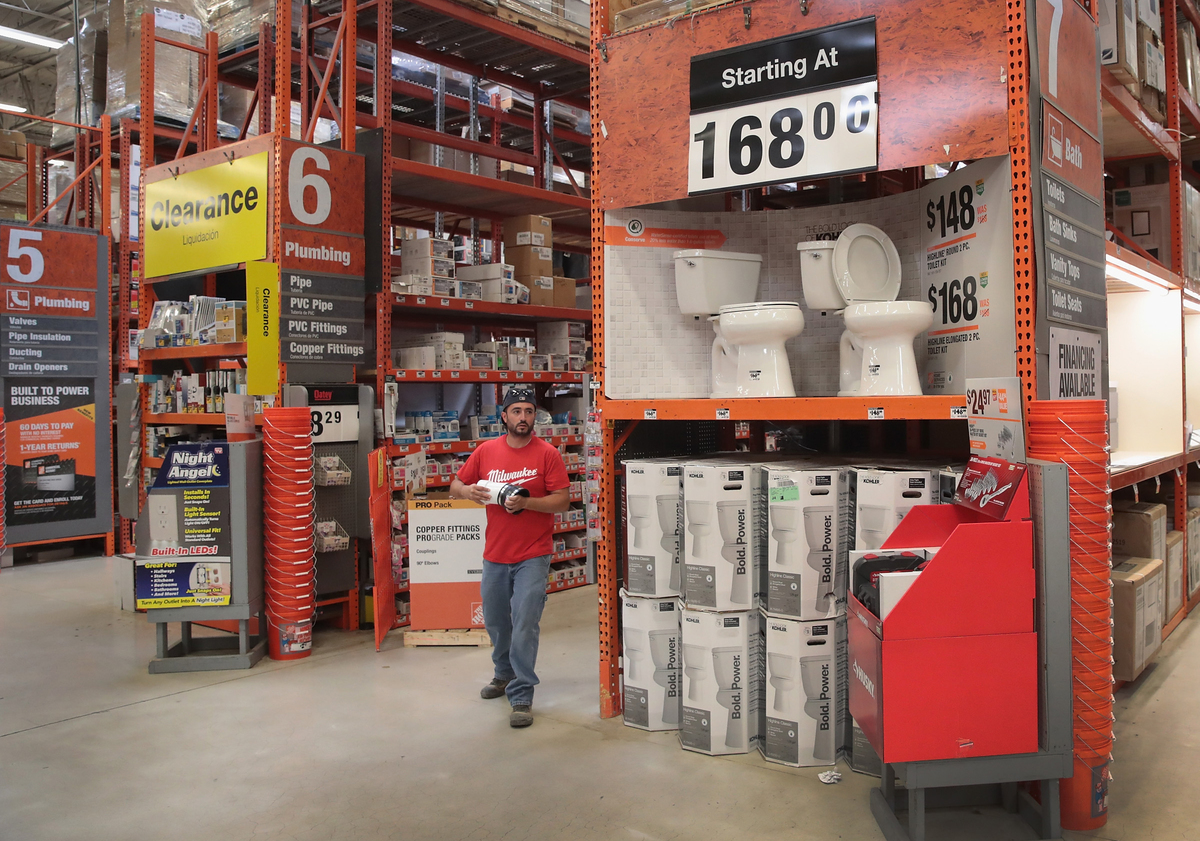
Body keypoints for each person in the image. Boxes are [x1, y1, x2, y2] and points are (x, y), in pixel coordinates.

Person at [450, 386, 570, 727]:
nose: (523, 418)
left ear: (534, 416)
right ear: (504, 416)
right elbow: (455, 486)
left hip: (533, 553)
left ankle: (521, 694)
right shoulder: (486, 451)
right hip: (495, 554)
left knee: (525, 623)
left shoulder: (548, 454)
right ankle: (503, 674)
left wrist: (527, 502)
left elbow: (562, 500)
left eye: (528, 411)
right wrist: (468, 491)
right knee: (497, 622)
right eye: (516, 411)